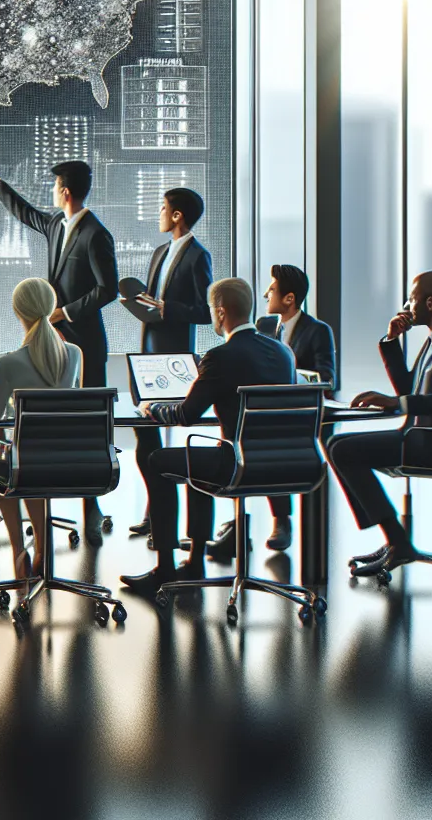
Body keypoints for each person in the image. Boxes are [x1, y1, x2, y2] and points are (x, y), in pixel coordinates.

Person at [119, 277, 295, 594]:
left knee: (158, 460)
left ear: (221, 312)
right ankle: (195, 561)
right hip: (282, 466)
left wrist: (152, 408)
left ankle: (165, 567)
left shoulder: (220, 356)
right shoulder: (284, 354)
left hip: (236, 465)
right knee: (197, 461)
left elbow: (186, 415)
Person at [0, 155, 117, 530]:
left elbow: (108, 289)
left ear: (65, 191)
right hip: (51, 336)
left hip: (84, 341)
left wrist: (64, 312)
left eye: (54, 186)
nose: (51, 191)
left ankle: (91, 505)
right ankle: (42, 484)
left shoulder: (96, 234)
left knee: (86, 428)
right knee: (45, 422)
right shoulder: (57, 224)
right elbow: (27, 214)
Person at [326, 270, 432, 577]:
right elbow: (408, 389)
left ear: (430, 302)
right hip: (420, 436)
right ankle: (395, 539)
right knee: (336, 445)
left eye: (412, 298)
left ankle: (397, 540)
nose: (407, 306)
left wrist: (397, 403)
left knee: (342, 450)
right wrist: (391, 341)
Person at [193, 262, 338, 557]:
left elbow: (327, 378)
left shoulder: (317, 331)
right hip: (259, 417)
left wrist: (291, 379)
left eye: (271, 290)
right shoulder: (264, 331)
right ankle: (239, 526)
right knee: (241, 434)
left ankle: (279, 520)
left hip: (296, 418)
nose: (265, 296)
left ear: (289, 298)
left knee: (256, 442)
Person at [0, 278, 83, 582]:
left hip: (25, 463)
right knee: (27, 457)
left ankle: (18, 550)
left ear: (17, 311)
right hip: (69, 460)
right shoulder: (74, 354)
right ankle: (41, 545)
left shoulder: (9, 363)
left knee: (1, 460)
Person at [126, 187, 213, 539]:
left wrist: (167, 309)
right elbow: (154, 302)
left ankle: (165, 519)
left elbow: (206, 312)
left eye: (163, 208)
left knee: (164, 432)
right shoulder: (160, 252)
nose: (159, 214)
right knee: (146, 432)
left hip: (174, 359)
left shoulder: (198, 256)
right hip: (149, 352)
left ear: (177, 215)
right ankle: (156, 510)